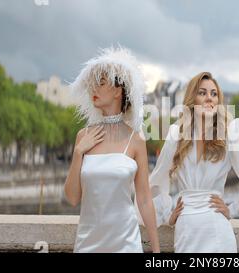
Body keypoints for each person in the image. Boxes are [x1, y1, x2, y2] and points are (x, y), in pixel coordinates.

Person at [149, 72, 239, 252]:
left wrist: (233, 209)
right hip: (185, 232)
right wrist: (168, 215)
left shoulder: (230, 134)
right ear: (192, 99)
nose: (209, 98)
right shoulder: (176, 136)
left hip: (217, 233)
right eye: (202, 93)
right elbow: (157, 180)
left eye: (214, 94)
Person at [64, 47, 160, 253]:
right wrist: (78, 152)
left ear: (118, 91)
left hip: (126, 243)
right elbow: (72, 198)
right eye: (92, 85)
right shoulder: (83, 137)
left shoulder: (136, 141)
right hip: (87, 243)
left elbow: (144, 199)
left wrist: (157, 251)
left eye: (100, 83)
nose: (93, 90)